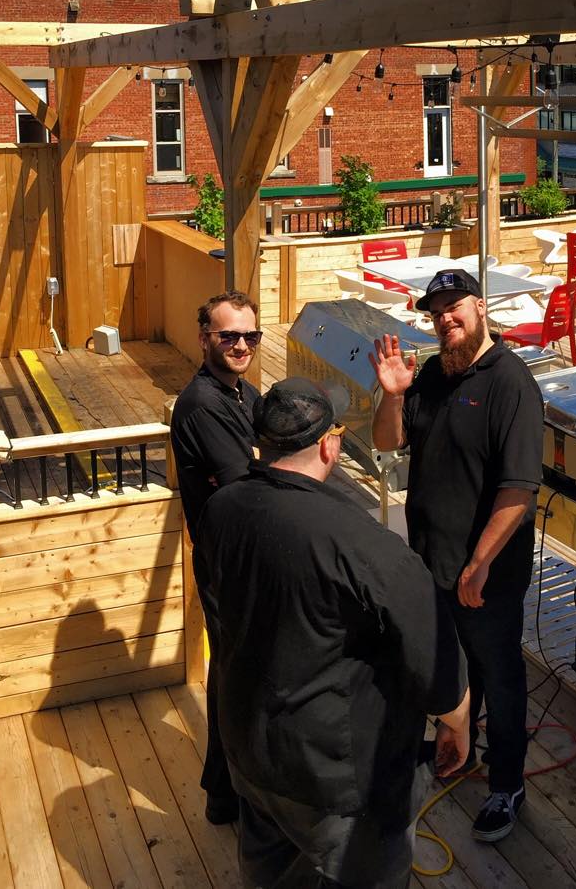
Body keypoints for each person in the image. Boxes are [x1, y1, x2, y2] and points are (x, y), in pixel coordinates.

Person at [202, 378, 471, 889]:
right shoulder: (362, 544)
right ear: (330, 445)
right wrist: (456, 719)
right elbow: (433, 651)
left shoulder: (221, 509)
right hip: (337, 781)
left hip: (250, 752)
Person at [371, 269, 542, 843]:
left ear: (480, 307)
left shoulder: (510, 382)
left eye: (455, 306)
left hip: (486, 573)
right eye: (436, 311)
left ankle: (507, 784)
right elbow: (388, 441)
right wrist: (392, 395)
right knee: (453, 667)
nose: (445, 318)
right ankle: (461, 748)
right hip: (431, 562)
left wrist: (479, 563)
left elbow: (519, 489)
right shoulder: (433, 373)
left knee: (500, 672)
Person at [167, 290, 262, 826]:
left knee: (234, 673)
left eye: (251, 336)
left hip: (235, 555)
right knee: (236, 677)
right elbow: (244, 482)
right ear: (205, 338)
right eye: (229, 336)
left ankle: (225, 792)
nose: (241, 345)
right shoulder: (204, 404)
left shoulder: (240, 392)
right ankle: (229, 793)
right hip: (229, 564)